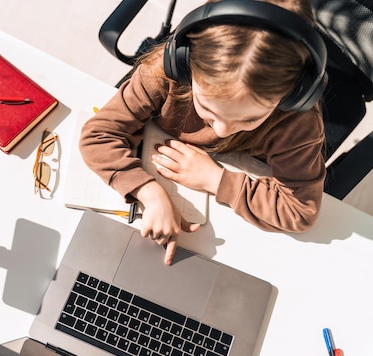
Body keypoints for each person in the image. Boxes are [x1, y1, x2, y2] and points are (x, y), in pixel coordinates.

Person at [80, 0, 327, 265]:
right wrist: (149, 193)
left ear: (296, 96)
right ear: (182, 65)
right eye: (208, 109)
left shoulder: (298, 122)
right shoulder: (161, 73)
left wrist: (216, 180)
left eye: (250, 118)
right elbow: (99, 135)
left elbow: (300, 210)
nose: (221, 130)